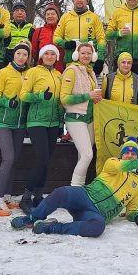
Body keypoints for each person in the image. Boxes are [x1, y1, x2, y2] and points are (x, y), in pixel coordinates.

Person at [10, 138, 138, 237]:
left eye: (133, 154)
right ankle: (32, 218)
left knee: (98, 227)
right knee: (61, 192)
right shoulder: (113, 162)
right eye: (126, 153)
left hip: (96, 214)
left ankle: (52, 227)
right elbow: (121, 166)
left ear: (137, 157)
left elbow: (131, 211)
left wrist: (137, 216)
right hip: (85, 196)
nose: (129, 156)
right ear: (121, 155)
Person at [18, 43, 64, 214]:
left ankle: (38, 196)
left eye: (53, 54)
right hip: (36, 121)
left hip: (53, 123)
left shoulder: (59, 75)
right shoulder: (33, 72)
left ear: (56, 57)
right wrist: (39, 96)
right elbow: (23, 95)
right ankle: (25, 197)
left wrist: (60, 123)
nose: (50, 57)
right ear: (41, 56)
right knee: (42, 159)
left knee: (46, 161)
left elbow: (60, 102)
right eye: (47, 54)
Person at [0, 41, 31, 216]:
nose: (21, 57)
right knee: (8, 159)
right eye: (18, 54)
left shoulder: (29, 73)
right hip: (4, 122)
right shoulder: (4, 72)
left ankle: (7, 196)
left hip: (20, 123)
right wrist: (8, 103)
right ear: (13, 55)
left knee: (14, 160)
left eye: (24, 54)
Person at [60, 41, 102, 186]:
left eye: (89, 53)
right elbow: (64, 98)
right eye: (83, 53)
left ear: (93, 56)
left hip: (89, 118)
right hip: (75, 118)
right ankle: (75, 187)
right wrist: (87, 96)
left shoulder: (90, 72)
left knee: (82, 155)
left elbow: (91, 95)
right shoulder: (71, 70)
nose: (86, 56)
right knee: (87, 154)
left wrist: (95, 98)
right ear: (76, 54)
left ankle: (80, 186)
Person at [53, 0, 106, 75]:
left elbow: (101, 39)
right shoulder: (65, 17)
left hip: (90, 63)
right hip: (71, 61)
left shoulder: (94, 17)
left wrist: (100, 59)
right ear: (73, 0)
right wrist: (66, 44)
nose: (79, 0)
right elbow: (56, 38)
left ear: (87, 1)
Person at [31, 3, 64, 71]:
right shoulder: (38, 31)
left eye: (53, 14)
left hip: (59, 68)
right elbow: (34, 50)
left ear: (57, 17)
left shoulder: (63, 31)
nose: (50, 16)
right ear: (45, 17)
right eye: (48, 14)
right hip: (42, 67)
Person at [3, 2, 35, 67]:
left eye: (22, 11)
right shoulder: (7, 25)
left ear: (25, 14)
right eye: (17, 10)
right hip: (8, 57)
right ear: (13, 14)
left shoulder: (31, 27)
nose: (19, 13)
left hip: (24, 57)